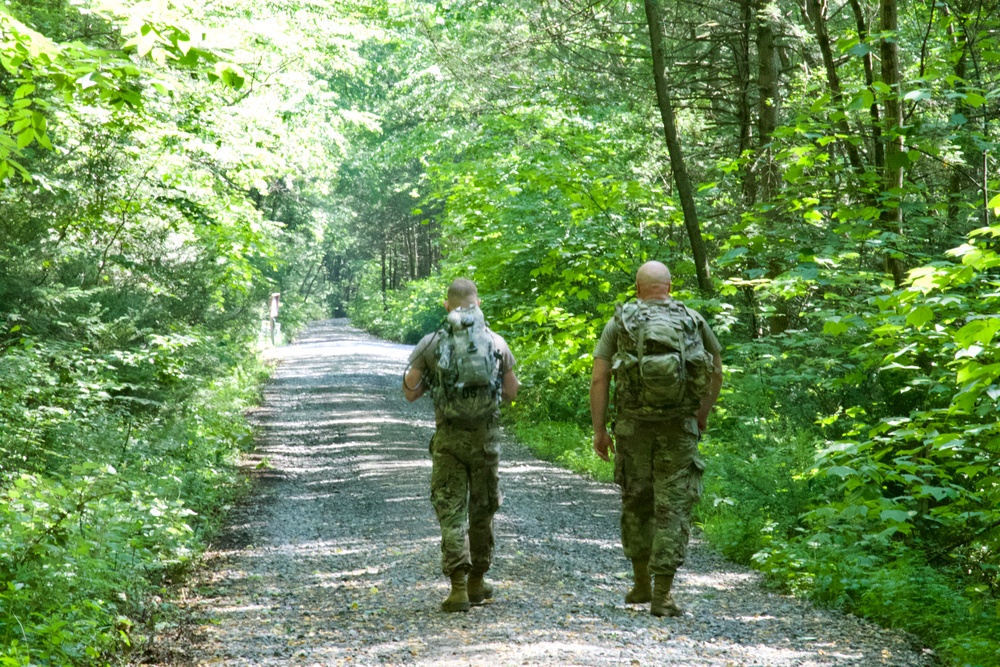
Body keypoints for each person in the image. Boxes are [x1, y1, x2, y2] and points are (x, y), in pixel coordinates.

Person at [589, 261, 722, 617]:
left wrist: (600, 430)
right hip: (679, 429)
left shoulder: (620, 323)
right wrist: (702, 413)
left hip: (633, 429)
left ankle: (640, 584)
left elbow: (600, 379)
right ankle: (663, 595)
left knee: (637, 501)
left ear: (637, 288)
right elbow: (716, 369)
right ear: (670, 286)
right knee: (672, 508)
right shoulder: (693, 320)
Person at [403, 278, 519, 612]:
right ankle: (478, 582)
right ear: (478, 304)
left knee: (451, 513)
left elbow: (410, 392)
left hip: (449, 441)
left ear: (447, 306)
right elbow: (511, 393)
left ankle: (457, 589)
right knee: (482, 512)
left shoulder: (431, 343)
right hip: (486, 441)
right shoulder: (496, 342)